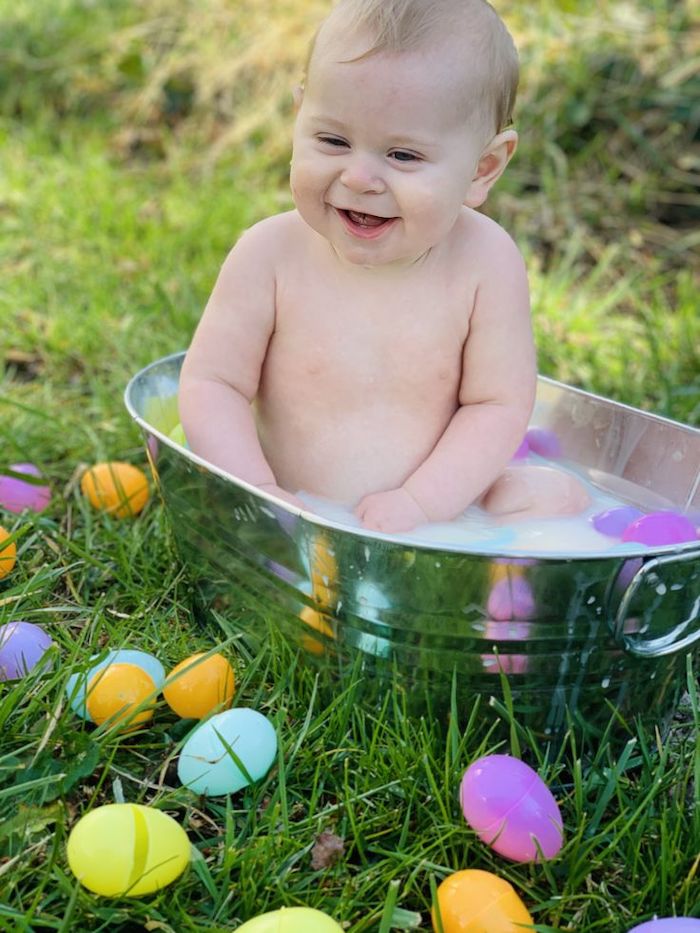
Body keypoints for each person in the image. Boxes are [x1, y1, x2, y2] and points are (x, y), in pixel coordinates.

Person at [179, 0, 589, 533]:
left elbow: (496, 405)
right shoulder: (269, 254)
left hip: (440, 509)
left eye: (403, 156)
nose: (359, 177)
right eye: (333, 140)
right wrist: (259, 492)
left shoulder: (486, 263)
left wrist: (423, 505)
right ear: (299, 118)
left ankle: (500, 563)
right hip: (293, 506)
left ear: (482, 169)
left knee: (560, 497)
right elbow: (213, 384)